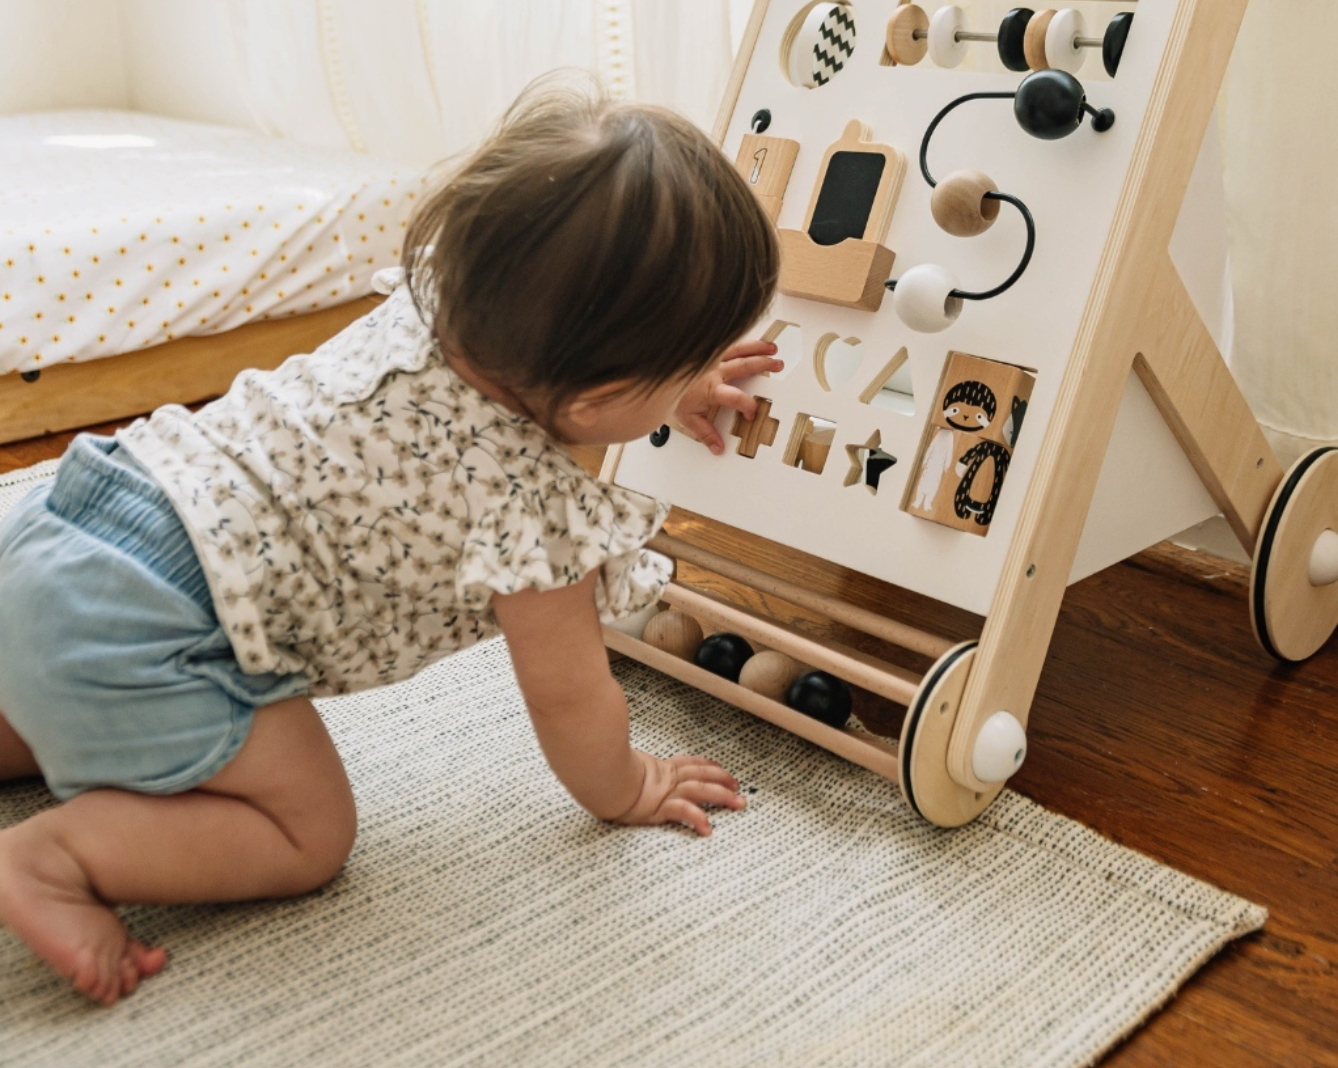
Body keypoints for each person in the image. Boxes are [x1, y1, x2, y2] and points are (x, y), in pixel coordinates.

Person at [0, 75, 783, 1006]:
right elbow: (573, 703)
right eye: (687, 367)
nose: (698, 380)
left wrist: (661, 379)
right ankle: (52, 858)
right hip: (164, 634)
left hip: (74, 530)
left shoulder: (436, 304)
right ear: (598, 399)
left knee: (48, 688)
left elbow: (571, 361)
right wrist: (630, 786)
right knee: (309, 832)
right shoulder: (533, 515)